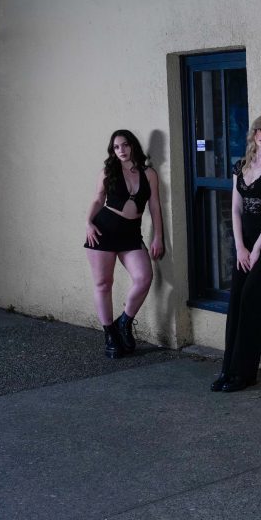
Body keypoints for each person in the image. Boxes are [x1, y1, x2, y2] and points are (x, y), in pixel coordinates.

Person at [211, 114, 261, 393]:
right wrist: (240, 247)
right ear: (254, 133)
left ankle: (244, 374)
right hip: (244, 243)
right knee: (236, 302)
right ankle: (228, 370)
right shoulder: (241, 165)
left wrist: (256, 249)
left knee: (251, 303)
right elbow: (235, 208)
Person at [84, 129, 165, 358]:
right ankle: (110, 334)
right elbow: (98, 199)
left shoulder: (149, 174)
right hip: (104, 230)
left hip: (131, 234)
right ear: (113, 150)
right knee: (103, 283)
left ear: (133, 146)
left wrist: (158, 236)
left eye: (125, 145)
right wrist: (88, 223)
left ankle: (124, 322)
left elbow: (155, 206)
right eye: (116, 147)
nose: (121, 150)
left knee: (144, 277)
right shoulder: (108, 172)